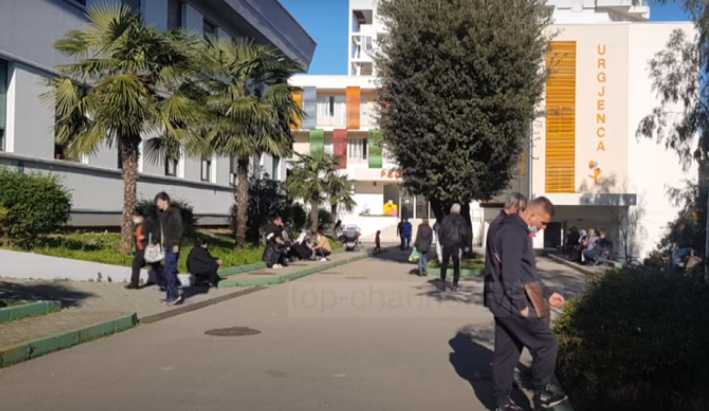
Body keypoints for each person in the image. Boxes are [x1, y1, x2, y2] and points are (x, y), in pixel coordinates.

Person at [484, 196, 568, 411]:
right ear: (531, 215)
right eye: (543, 222)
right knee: (546, 344)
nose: (543, 227)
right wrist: (521, 304)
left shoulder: (506, 227)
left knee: (507, 352)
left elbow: (524, 271)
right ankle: (542, 393)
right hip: (510, 302)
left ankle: (502, 403)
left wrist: (546, 294)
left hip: (500, 300)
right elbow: (511, 273)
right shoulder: (514, 232)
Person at [156, 192, 184, 306]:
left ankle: (174, 296)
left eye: (159, 201)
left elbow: (179, 229)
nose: (157, 204)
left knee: (169, 271)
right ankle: (169, 295)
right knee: (167, 271)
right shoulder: (163, 214)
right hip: (166, 246)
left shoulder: (174, 213)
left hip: (173, 246)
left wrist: (176, 243)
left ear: (165, 201)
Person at [124, 209, 163, 290]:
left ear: (140, 216)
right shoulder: (138, 225)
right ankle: (163, 282)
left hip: (147, 248)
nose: (134, 219)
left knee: (140, 264)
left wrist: (145, 237)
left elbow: (155, 234)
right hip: (140, 248)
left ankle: (135, 283)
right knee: (153, 265)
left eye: (134, 217)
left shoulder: (148, 223)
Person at [437, 203, 471, 291]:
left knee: (444, 263)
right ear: (459, 211)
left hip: (447, 244)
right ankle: (455, 285)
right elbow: (464, 233)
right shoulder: (462, 220)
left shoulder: (445, 219)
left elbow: (440, 231)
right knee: (456, 265)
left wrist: (442, 242)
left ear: (451, 209)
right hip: (457, 245)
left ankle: (442, 281)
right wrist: (465, 245)